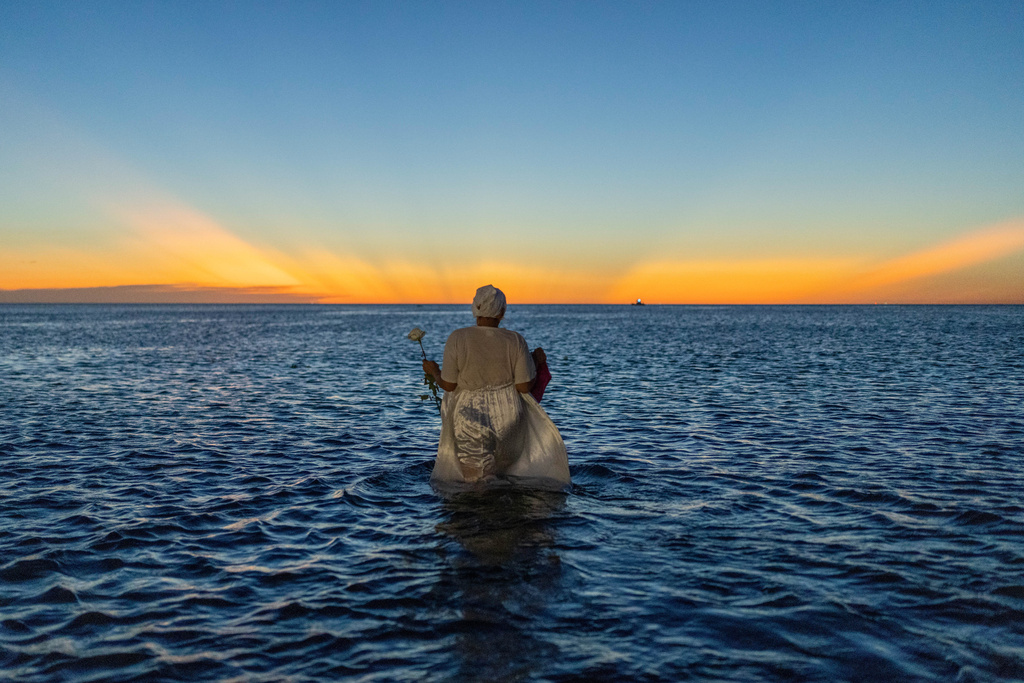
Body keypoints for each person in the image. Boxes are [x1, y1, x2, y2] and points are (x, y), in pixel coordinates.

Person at [422, 285, 570, 489]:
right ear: (502, 312)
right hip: (508, 416)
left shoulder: (458, 337)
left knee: (477, 483)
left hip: (469, 415)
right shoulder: (515, 340)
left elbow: (448, 384)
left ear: (475, 308)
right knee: (501, 477)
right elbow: (524, 386)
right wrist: (534, 363)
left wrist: (434, 372)